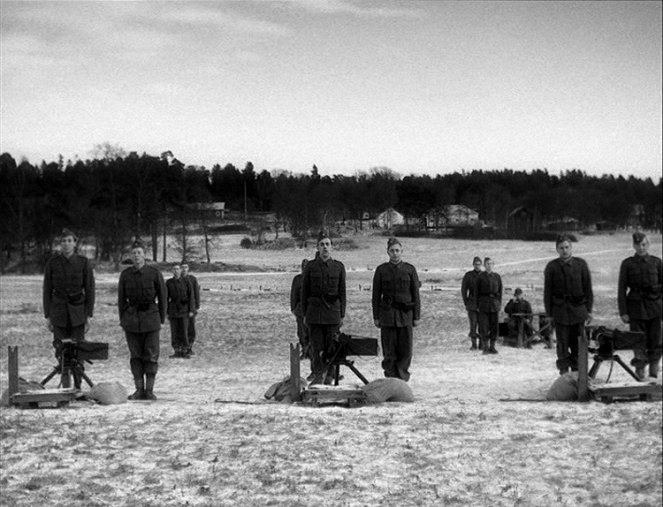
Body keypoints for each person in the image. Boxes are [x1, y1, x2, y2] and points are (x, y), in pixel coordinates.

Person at [42, 228, 95, 381]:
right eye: (63, 241)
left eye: (69, 241)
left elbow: (90, 289)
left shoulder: (83, 262)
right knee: (61, 350)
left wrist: (88, 315)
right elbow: (47, 290)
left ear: (75, 243)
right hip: (58, 312)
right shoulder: (53, 263)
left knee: (78, 350)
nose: (66, 244)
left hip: (78, 312)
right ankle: (65, 385)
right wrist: (48, 316)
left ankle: (77, 385)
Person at [118, 240, 167, 401]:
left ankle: (150, 390)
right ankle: (139, 389)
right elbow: (121, 300)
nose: (136, 256)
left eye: (139, 252)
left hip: (151, 319)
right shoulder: (125, 275)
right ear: (130, 256)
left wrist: (161, 317)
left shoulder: (154, 273)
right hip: (131, 321)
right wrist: (123, 319)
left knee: (151, 355)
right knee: (136, 356)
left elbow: (162, 296)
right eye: (134, 253)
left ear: (144, 255)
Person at [372, 237, 421, 381]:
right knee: (389, 351)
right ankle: (391, 377)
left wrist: (416, 316)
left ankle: (402, 377)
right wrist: (376, 316)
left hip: (405, 315)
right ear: (387, 252)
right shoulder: (381, 270)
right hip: (387, 316)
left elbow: (415, 295)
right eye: (392, 251)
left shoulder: (409, 269)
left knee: (406, 351)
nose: (395, 253)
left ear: (402, 251)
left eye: (397, 250)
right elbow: (375, 296)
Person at [544, 234, 593, 375]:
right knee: (562, 346)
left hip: (578, 311)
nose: (564, 250)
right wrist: (549, 314)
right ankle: (564, 377)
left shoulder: (581, 264)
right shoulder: (552, 267)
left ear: (571, 248)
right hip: (560, 312)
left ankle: (579, 377)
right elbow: (548, 292)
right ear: (557, 249)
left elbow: (587, 289)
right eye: (561, 248)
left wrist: (588, 310)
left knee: (578, 346)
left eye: (567, 247)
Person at [301, 231, 346, 385]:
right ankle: (318, 374)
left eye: (327, 244)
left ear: (331, 247)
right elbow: (304, 291)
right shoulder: (311, 267)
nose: (325, 247)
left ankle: (330, 376)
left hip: (333, 312)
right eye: (322, 244)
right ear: (317, 247)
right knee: (316, 346)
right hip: (315, 313)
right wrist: (305, 314)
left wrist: (342, 314)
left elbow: (342, 292)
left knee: (332, 346)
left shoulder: (338, 267)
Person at [618, 232, 662, 380]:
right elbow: (621, 289)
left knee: (656, 340)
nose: (641, 247)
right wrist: (623, 312)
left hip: (655, 307)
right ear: (633, 246)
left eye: (644, 244)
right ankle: (640, 371)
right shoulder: (627, 264)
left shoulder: (657, 262)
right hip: (635, 308)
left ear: (648, 245)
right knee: (637, 340)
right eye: (638, 245)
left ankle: (654, 370)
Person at [474, 257, 502, 354]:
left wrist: (499, 304)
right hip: (483, 304)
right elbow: (476, 292)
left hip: (494, 304)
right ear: (484, 265)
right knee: (484, 326)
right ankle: (485, 347)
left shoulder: (497, 277)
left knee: (494, 326)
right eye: (487, 264)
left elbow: (500, 292)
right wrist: (477, 305)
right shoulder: (480, 277)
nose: (489, 265)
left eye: (491, 263)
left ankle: (492, 346)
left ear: (493, 265)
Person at [166, 264, 194, 359]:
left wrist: (191, 310)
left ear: (180, 270)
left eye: (178, 269)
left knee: (184, 331)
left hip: (184, 309)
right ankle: (177, 351)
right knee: (174, 332)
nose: (176, 271)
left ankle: (185, 350)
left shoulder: (186, 281)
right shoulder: (169, 283)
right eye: (174, 269)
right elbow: (166, 297)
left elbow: (191, 296)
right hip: (173, 310)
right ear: (172, 271)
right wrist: (166, 311)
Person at [461, 256, 483, 350]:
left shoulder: (484, 275)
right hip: (472, 304)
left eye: (479, 264)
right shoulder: (468, 275)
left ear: (481, 265)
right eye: (476, 264)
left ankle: (482, 345)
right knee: (473, 325)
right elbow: (464, 289)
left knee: (482, 325)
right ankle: (474, 345)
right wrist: (466, 302)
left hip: (483, 305)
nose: (477, 266)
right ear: (473, 265)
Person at [290, 259, 310, 361]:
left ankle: (310, 352)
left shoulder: (312, 278)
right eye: (304, 266)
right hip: (300, 311)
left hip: (311, 311)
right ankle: (304, 350)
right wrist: (293, 308)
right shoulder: (298, 279)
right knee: (301, 332)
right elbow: (294, 294)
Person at [181, 263, 200, 356]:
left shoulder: (192, 279)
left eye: (186, 267)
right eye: (182, 267)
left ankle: (189, 347)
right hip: (180, 309)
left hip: (191, 309)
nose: (184, 269)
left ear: (188, 269)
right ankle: (182, 348)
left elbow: (196, 293)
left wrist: (196, 307)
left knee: (191, 329)